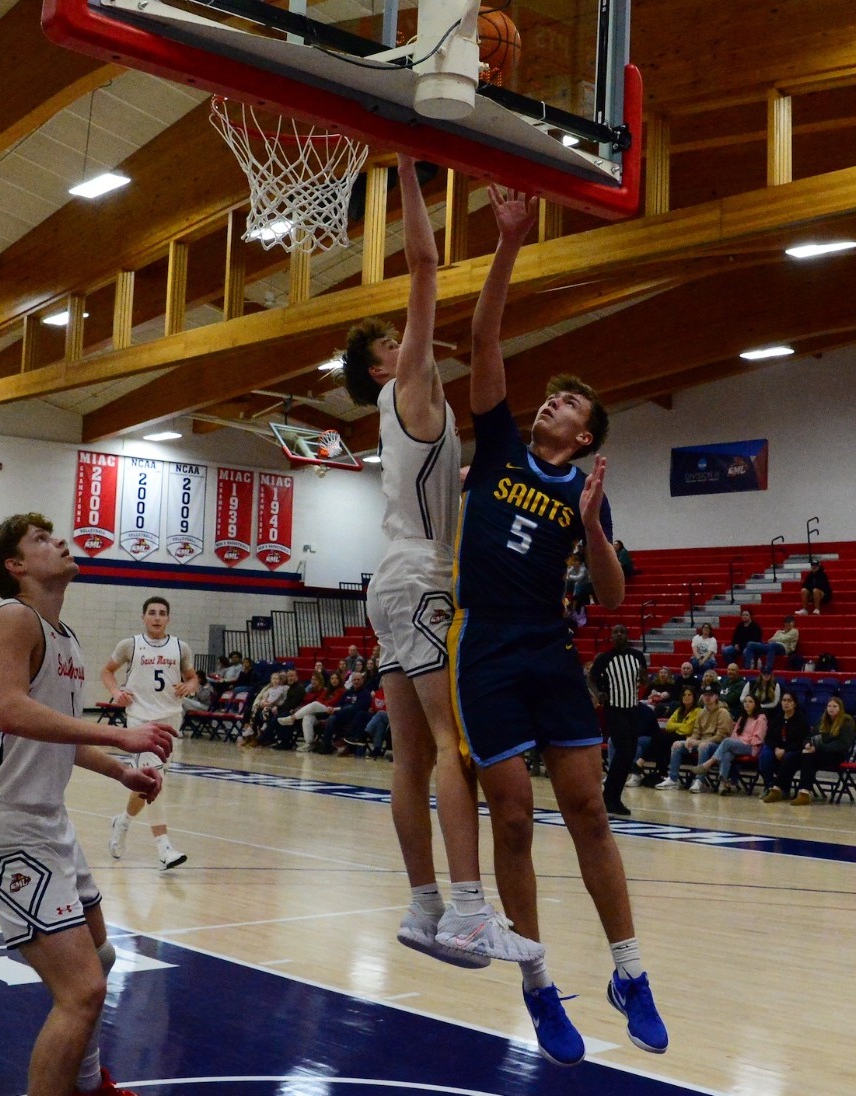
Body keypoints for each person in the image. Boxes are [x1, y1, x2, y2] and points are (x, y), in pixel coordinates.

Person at [450, 184, 666, 1064]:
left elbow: (611, 598)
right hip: (483, 645)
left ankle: (629, 970)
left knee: (585, 808)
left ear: (585, 436)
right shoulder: (498, 445)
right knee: (511, 818)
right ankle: (538, 984)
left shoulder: (582, 494)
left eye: (567, 406)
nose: (551, 405)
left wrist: (589, 527)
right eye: (550, 399)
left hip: (545, 643)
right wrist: (508, 244)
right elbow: (483, 338)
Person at [341, 155, 540, 969]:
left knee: (410, 757)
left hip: (389, 577)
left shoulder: (404, 419)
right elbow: (422, 264)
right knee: (450, 744)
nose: (407, 337)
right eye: (395, 340)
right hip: (420, 577)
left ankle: (422, 906)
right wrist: (402, 166)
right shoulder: (412, 385)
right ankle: (464, 908)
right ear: (385, 365)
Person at [0, 513, 177, 1096]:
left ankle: (87, 1084)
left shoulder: (67, 638)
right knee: (81, 992)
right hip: (8, 830)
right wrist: (121, 735)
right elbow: (12, 710)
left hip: (49, 825)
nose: (60, 541)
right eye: (40, 539)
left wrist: (120, 770)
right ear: (17, 566)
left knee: (99, 961)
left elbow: (56, 733)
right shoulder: (12, 618)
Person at [100, 596, 196, 871]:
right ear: (143, 617)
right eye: (152, 613)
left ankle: (123, 822)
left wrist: (190, 686)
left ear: (168, 618)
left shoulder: (181, 647)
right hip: (140, 719)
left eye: (162, 613)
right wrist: (116, 692)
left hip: (170, 718)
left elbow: (192, 678)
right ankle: (164, 847)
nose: (156, 617)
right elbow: (107, 671)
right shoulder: (130, 645)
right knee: (155, 781)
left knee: (148, 784)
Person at [588, 623, 647, 816]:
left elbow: (644, 677)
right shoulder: (604, 659)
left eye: (622, 631)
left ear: (627, 635)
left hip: (632, 709)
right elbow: (591, 678)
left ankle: (612, 796)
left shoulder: (637, 656)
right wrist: (599, 694)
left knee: (629, 754)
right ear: (611, 636)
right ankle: (610, 797)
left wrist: (644, 684)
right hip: (614, 709)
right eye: (616, 632)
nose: (619, 635)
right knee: (623, 751)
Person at [783, 695, 856, 806]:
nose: (831, 708)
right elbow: (809, 736)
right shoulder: (822, 720)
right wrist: (807, 744)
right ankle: (780, 788)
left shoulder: (847, 722)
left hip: (837, 756)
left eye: (834, 706)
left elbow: (842, 745)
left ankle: (804, 792)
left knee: (808, 757)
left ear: (840, 708)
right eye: (829, 706)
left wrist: (818, 748)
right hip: (818, 753)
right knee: (793, 756)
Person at [666, 687, 733, 794]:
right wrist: (691, 739)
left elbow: (721, 736)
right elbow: (697, 732)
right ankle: (673, 779)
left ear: (716, 696)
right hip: (702, 742)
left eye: (710, 695)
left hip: (717, 746)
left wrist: (700, 742)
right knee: (677, 744)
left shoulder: (723, 712)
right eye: (705, 695)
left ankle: (699, 780)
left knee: (703, 746)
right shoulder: (702, 712)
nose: (707, 697)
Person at [706, 692, 767, 794]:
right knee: (726, 754)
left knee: (726, 742)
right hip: (738, 746)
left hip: (751, 747)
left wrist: (741, 742)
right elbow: (734, 735)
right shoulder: (742, 718)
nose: (747, 704)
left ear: (756, 704)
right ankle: (723, 784)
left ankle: (709, 763)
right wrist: (737, 743)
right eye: (745, 701)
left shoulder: (761, 719)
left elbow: (758, 739)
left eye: (750, 702)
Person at [761, 691, 811, 802]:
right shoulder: (777, 718)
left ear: (794, 704)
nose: (786, 703)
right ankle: (769, 785)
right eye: (784, 700)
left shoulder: (801, 720)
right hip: (777, 748)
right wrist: (776, 748)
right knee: (765, 755)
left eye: (789, 701)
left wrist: (785, 750)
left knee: (789, 757)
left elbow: (801, 741)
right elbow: (769, 738)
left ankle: (778, 788)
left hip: (794, 750)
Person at [652, 688, 701, 789]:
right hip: (675, 736)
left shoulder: (698, 711)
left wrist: (678, 726)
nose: (686, 697)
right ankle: (663, 773)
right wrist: (681, 725)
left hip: (689, 738)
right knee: (660, 739)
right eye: (684, 695)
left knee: (662, 739)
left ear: (694, 697)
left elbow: (687, 729)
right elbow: (669, 725)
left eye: (689, 695)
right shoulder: (679, 710)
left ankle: (662, 771)